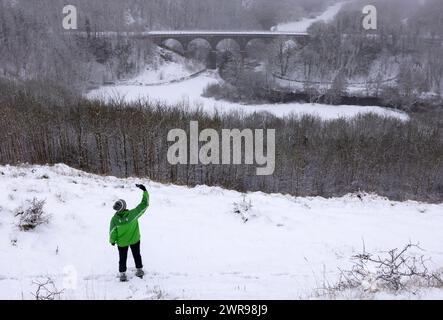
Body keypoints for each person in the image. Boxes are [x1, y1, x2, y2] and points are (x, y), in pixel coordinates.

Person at [109, 184, 149, 282]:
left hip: (122, 243)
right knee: (137, 255)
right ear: (125, 207)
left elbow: (112, 232)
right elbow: (144, 205)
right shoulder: (133, 214)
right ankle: (139, 270)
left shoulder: (114, 219)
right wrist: (145, 191)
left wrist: (112, 241)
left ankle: (122, 274)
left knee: (122, 258)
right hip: (135, 239)